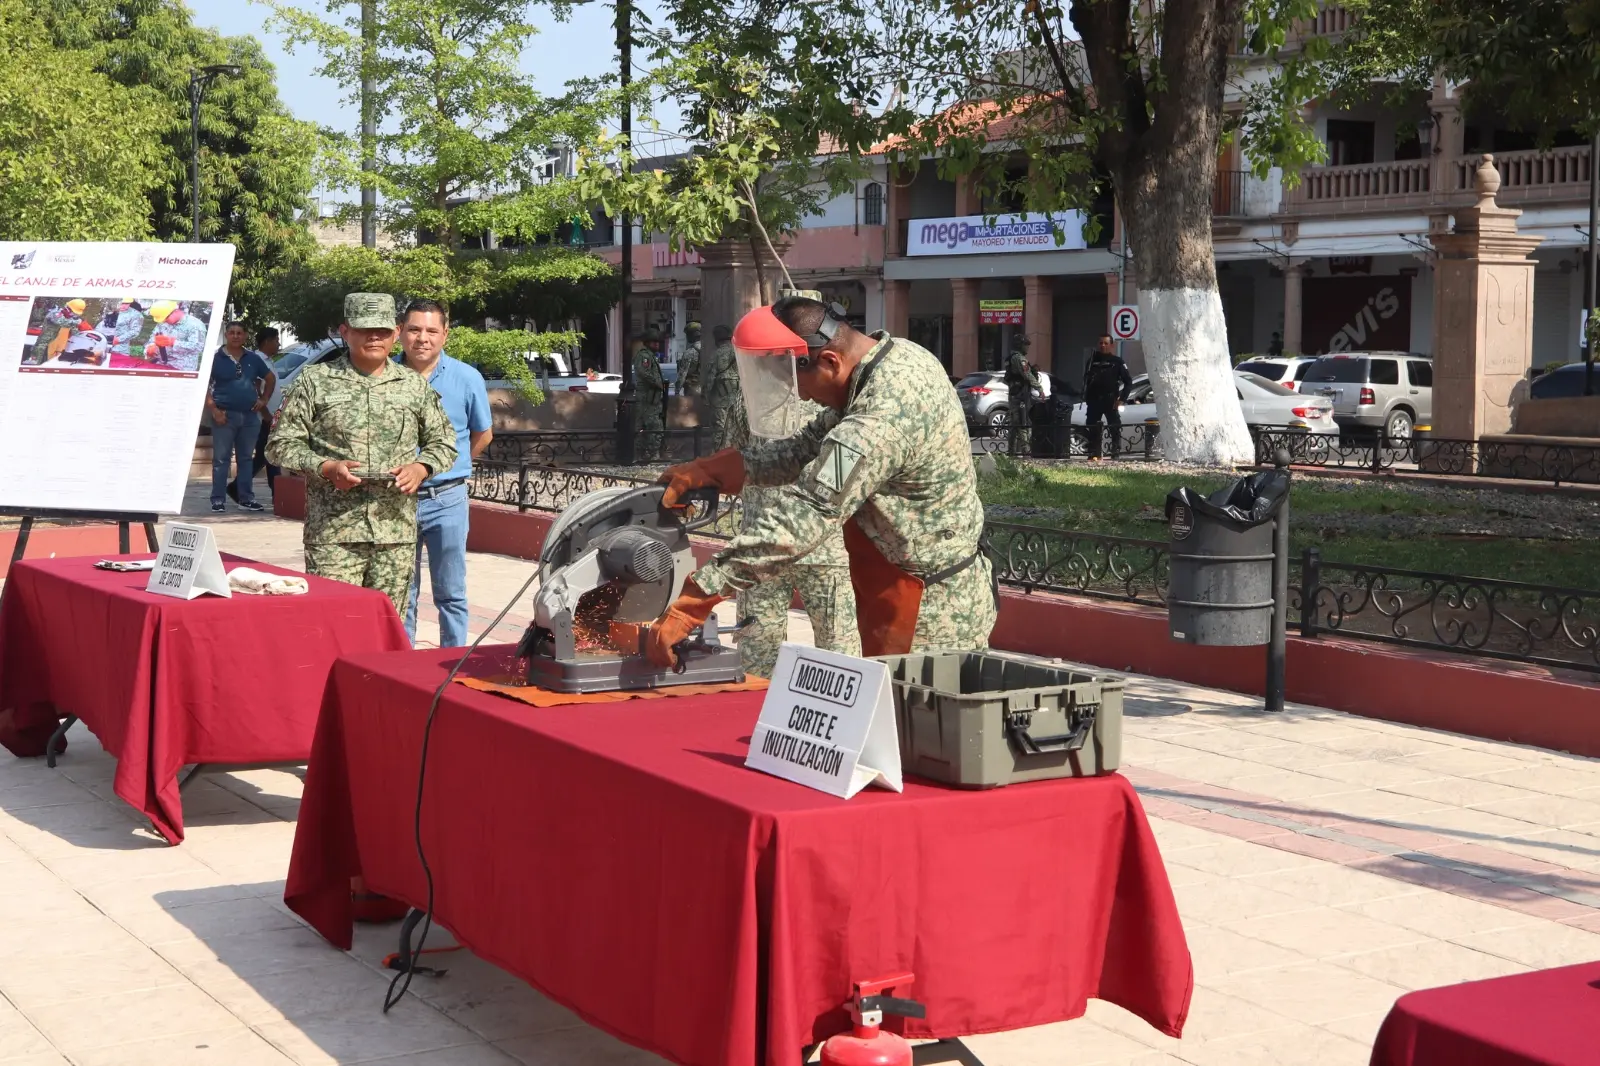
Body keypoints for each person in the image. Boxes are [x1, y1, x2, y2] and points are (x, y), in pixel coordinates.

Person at [644, 296, 995, 669]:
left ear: (829, 361)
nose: (801, 395)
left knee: (914, 721)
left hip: (932, 611)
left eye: (801, 383)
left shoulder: (881, 420)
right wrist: (715, 470)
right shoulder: (893, 358)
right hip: (904, 583)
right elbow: (804, 449)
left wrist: (699, 596)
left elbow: (808, 511)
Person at [266, 293, 457, 615]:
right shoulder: (316, 381)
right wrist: (325, 466)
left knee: (387, 625)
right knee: (333, 623)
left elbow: (444, 442)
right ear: (345, 331)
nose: (374, 337)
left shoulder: (413, 385)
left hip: (393, 533)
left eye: (382, 331)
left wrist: (422, 468)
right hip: (334, 533)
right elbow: (280, 444)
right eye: (364, 329)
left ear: (396, 333)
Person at [396, 298, 494, 648]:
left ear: (445, 335)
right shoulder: (384, 377)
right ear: (400, 333)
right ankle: (404, 665)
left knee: (450, 591)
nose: (423, 338)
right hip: (397, 500)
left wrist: (451, 466)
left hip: (446, 499)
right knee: (402, 591)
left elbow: (483, 433)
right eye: (414, 330)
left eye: (431, 330)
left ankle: (453, 662)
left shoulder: (467, 378)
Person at [206, 322, 275, 513]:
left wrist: (264, 399)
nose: (235, 336)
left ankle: (245, 498)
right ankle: (218, 499)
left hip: (250, 416)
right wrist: (214, 409)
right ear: (226, 335)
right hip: (224, 415)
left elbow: (270, 378)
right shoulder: (215, 359)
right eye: (232, 333)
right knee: (221, 459)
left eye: (239, 333)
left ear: (245, 336)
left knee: (246, 459)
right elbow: (203, 385)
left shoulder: (253, 358)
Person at [230, 327, 283, 503]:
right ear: (267, 341)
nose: (279, 344)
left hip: (270, 417)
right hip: (263, 418)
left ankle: (238, 487)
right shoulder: (257, 360)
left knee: (264, 455)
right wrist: (266, 413)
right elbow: (254, 388)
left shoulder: (268, 360)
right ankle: (277, 492)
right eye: (276, 340)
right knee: (269, 454)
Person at [1083, 333, 1133, 461]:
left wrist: (1122, 400)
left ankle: (1115, 452)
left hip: (1110, 400)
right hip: (1094, 400)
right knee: (1092, 427)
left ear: (1111, 345)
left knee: (1114, 427)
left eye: (1106, 343)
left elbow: (1128, 382)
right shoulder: (1092, 361)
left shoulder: (1117, 362)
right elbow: (1086, 380)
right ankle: (1094, 453)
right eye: (1101, 343)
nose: (1103, 346)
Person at [702, 324, 743, 450]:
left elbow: (710, 378)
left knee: (719, 431)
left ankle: (719, 456)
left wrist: (705, 397)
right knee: (736, 430)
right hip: (738, 401)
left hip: (720, 401)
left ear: (716, 339)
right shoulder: (739, 352)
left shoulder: (716, 355)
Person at [632, 326, 667, 461]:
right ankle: (650, 454)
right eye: (654, 342)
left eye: (658, 341)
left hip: (652, 398)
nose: (657, 344)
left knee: (649, 426)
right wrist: (658, 383)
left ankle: (646, 454)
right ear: (647, 342)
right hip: (647, 398)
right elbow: (644, 372)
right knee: (654, 427)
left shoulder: (650, 356)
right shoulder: (644, 356)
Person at [1004, 335, 1041, 457]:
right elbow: (1027, 375)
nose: (1027, 348)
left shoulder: (1011, 358)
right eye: (1026, 345)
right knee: (1022, 422)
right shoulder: (1020, 359)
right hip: (1020, 395)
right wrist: (1039, 388)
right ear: (1020, 345)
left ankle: (1011, 451)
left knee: (1014, 425)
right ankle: (1026, 451)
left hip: (1014, 394)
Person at [147, 301, 208, 371]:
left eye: (165, 318)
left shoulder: (196, 325)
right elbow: (154, 336)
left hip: (182, 367)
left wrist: (173, 343)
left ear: (175, 311)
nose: (164, 321)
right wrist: (151, 345)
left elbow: (198, 347)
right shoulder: (162, 322)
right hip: (161, 363)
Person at [678, 321, 703, 397]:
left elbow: (682, 374)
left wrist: (676, 391)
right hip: (705, 390)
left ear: (693, 335)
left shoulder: (690, 352)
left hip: (692, 390)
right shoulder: (708, 349)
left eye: (688, 334)